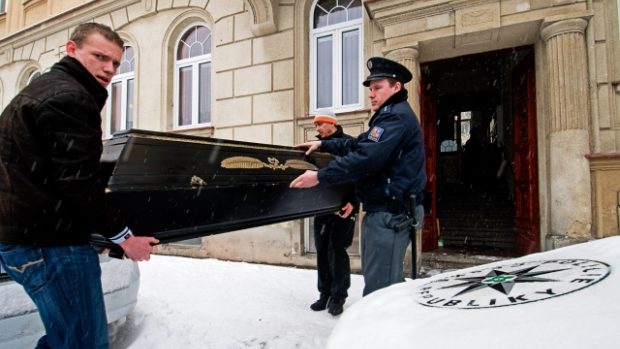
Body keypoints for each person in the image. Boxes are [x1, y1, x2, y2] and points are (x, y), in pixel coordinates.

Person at [0, 23, 158, 348]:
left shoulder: (45, 89)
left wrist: (89, 230)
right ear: (71, 49)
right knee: (83, 343)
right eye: (99, 57)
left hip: (29, 238)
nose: (109, 69)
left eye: (116, 62)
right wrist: (124, 239)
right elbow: (79, 185)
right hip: (49, 244)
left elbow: (50, 176)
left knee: (66, 338)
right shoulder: (70, 98)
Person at [290, 57, 426, 296]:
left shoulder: (395, 117)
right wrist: (324, 145)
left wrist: (320, 176)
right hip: (385, 211)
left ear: (397, 87)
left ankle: (378, 333)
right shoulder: (389, 114)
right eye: (370, 89)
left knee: (379, 292)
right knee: (384, 284)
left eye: (377, 88)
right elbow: (360, 143)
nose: (371, 94)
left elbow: (366, 158)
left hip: (390, 214)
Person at [308, 110, 359, 316]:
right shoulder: (315, 147)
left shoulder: (349, 144)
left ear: (332, 124)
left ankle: (338, 297)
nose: (317, 128)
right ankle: (325, 294)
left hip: (344, 208)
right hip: (321, 208)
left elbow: (360, 173)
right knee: (321, 250)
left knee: (337, 250)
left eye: (320, 124)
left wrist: (354, 201)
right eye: (316, 125)